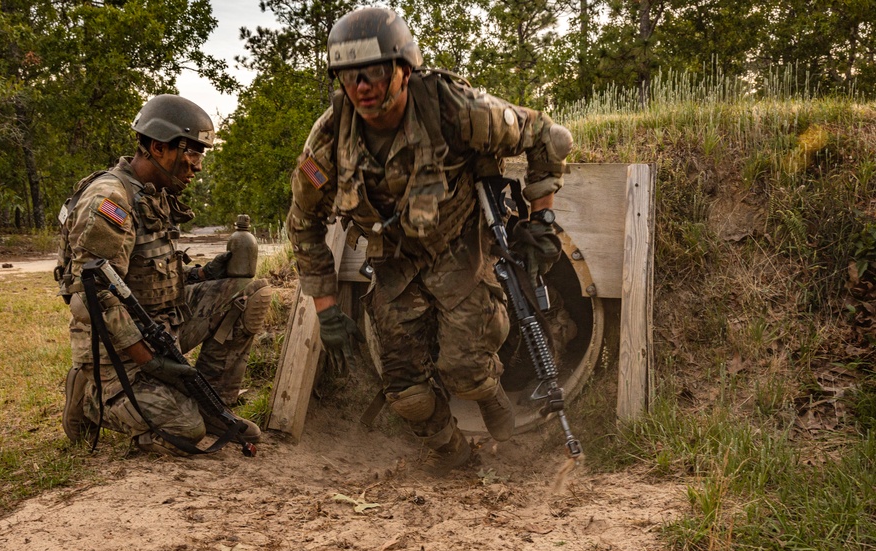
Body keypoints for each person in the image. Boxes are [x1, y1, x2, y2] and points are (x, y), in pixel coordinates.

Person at [287, 7, 573, 475]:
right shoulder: (328, 139)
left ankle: (495, 403)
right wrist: (326, 308)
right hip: (394, 264)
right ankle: (456, 458)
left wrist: (541, 220)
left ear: (404, 69)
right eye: (348, 76)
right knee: (406, 393)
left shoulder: (455, 109)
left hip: (461, 247)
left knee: (465, 370)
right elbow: (302, 221)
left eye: (374, 71)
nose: (361, 86)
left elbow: (549, 138)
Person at [57, 94, 272, 455]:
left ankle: (214, 403)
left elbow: (144, 278)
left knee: (249, 294)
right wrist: (149, 361)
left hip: (159, 328)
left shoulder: (154, 194)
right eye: (192, 152)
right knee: (185, 431)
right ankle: (91, 396)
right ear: (158, 147)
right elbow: (91, 298)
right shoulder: (110, 200)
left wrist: (202, 273)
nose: (198, 166)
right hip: (116, 349)